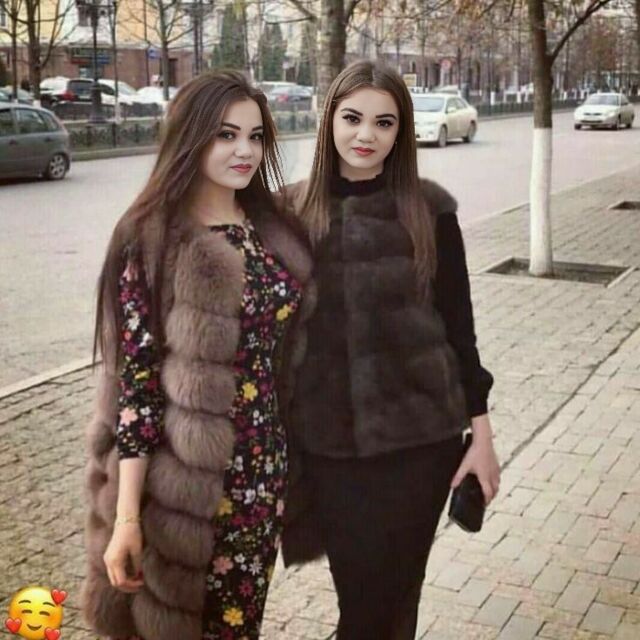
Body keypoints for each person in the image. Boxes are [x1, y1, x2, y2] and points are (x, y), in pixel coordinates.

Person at [80, 70, 315, 640]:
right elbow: (135, 392)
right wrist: (126, 518)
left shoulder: (270, 229)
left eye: (255, 136)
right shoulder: (154, 241)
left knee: (239, 626)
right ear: (191, 137)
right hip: (185, 489)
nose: (245, 151)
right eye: (226, 135)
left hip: (263, 476)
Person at [280, 60, 501, 640]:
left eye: (384, 123)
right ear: (329, 119)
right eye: (352, 118)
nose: (366, 135)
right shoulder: (289, 214)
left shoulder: (429, 212)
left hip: (421, 447)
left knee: (397, 600)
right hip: (329, 448)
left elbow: (461, 332)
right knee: (364, 603)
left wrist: (482, 439)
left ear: (401, 131)